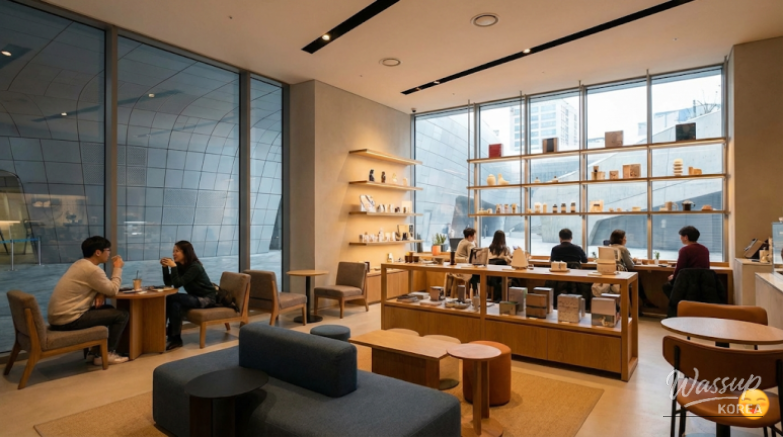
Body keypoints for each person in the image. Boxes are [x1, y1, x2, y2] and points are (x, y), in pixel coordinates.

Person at [48, 236, 129, 365]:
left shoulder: (79, 264)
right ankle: (107, 354)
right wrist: (118, 268)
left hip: (58, 317)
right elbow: (113, 290)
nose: (109, 253)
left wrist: (100, 293)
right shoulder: (92, 270)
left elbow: (100, 286)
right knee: (122, 315)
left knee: (108, 310)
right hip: (68, 320)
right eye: (108, 250)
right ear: (98, 252)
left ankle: (96, 353)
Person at [161, 241, 216, 351]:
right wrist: (165, 268)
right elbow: (169, 283)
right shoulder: (182, 266)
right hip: (195, 297)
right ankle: (175, 339)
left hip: (207, 299)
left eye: (177, 251)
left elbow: (177, 284)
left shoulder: (194, 267)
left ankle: (162, 331)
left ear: (185, 253)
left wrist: (173, 267)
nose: (173, 254)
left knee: (171, 298)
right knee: (175, 304)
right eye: (173, 251)